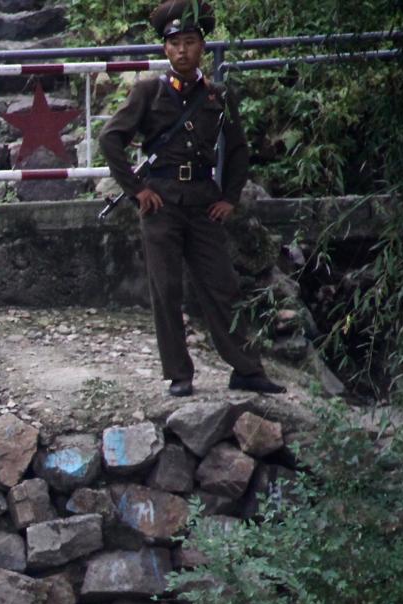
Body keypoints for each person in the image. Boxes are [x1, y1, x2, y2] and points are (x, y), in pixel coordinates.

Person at [99, 0, 286, 397]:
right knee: (165, 290)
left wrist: (230, 197)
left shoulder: (217, 96)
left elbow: (237, 150)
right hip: (161, 205)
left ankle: (247, 368)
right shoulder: (149, 91)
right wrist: (137, 190)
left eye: (190, 41)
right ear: (164, 49)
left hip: (203, 204)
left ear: (202, 46)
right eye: (175, 43)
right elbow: (110, 139)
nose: (182, 50)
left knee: (223, 286)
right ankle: (179, 375)